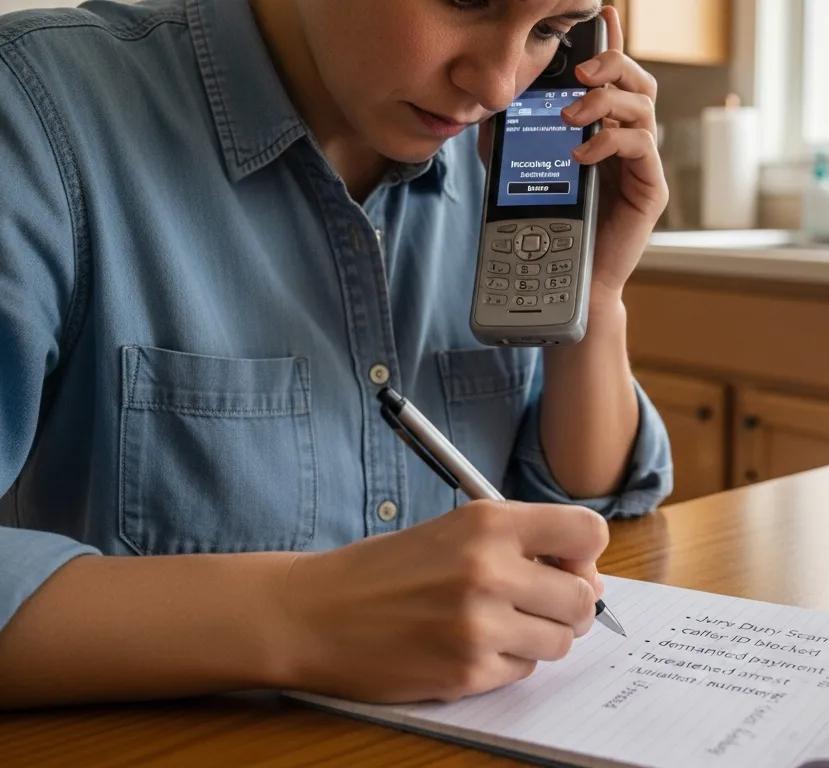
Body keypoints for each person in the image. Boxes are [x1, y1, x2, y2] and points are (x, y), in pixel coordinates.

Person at [0, 0, 672, 709]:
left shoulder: (509, 163)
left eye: (549, 31)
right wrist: (303, 614)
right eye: (466, 1)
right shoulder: (35, 111)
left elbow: (584, 506)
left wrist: (594, 297)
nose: (500, 88)